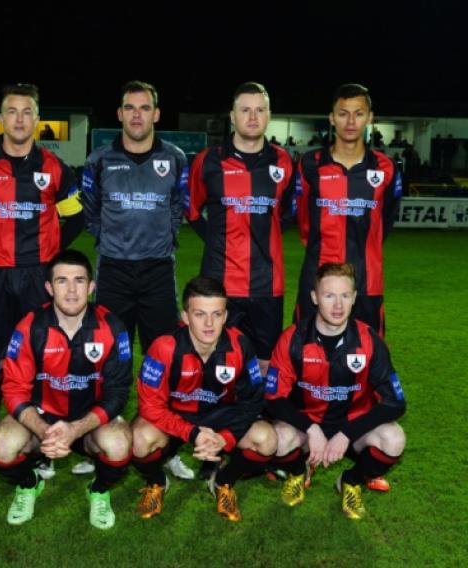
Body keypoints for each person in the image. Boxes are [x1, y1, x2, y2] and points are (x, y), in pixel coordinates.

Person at [0, 250, 132, 529]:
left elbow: (118, 391)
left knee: (119, 445)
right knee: (3, 445)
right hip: (42, 419)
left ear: (91, 287)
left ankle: (100, 490)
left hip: (90, 422)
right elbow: (14, 388)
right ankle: (29, 483)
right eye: (62, 281)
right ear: (48, 287)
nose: (71, 290)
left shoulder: (112, 327)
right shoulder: (30, 326)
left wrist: (76, 429)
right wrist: (44, 430)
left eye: (79, 281)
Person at [266, 262, 406, 520]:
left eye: (345, 296)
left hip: (353, 427)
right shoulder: (293, 339)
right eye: (329, 295)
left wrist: (346, 433)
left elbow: (396, 402)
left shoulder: (369, 340)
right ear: (314, 298)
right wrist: (310, 428)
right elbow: (272, 399)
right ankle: (299, 473)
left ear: (354, 298)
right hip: (308, 426)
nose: (338, 305)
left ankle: (350, 481)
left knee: (394, 439)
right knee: (276, 440)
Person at [0, 82, 83, 379]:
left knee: (41, 350)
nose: (19, 119)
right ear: (0, 119)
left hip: (38, 275)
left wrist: (51, 254)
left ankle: (38, 418)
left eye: (27, 112)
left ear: (37, 120)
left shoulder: (56, 168)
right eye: (12, 112)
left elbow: (77, 217)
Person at [131, 276, 276, 522]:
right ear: (185, 317)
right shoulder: (164, 347)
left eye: (217, 314)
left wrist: (225, 437)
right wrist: (193, 433)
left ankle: (222, 482)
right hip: (176, 417)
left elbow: (252, 401)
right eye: (199, 314)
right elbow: (150, 405)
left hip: (222, 415)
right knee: (138, 440)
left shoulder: (240, 344)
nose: (209, 324)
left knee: (267, 440)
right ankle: (157, 483)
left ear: (226, 316)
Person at [186, 82, 295, 378]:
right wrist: (215, 238)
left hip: (266, 284)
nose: (252, 116)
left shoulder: (283, 162)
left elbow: (290, 210)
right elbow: (191, 207)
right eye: (245, 110)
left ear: (269, 115)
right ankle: (216, 419)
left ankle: (261, 419)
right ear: (232, 116)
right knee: (216, 359)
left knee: (265, 364)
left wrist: (266, 234)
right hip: (219, 284)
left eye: (260, 110)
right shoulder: (208, 160)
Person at [82, 80, 187, 356]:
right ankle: (110, 401)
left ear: (156, 114)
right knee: (111, 352)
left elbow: (178, 206)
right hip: (113, 271)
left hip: (158, 270)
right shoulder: (100, 159)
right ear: (119, 114)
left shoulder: (174, 158)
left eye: (144, 108)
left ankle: (159, 402)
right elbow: (90, 209)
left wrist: (167, 234)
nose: (137, 115)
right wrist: (108, 237)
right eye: (130, 108)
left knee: (164, 352)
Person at [295, 84, 402, 337]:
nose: (351, 121)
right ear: (332, 118)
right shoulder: (310, 165)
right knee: (307, 352)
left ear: (370, 117)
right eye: (343, 113)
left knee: (368, 357)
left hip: (367, 281)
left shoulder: (386, 168)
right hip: (317, 277)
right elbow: (303, 220)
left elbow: (385, 221)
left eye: (358, 113)